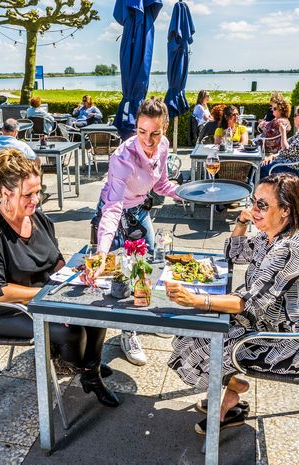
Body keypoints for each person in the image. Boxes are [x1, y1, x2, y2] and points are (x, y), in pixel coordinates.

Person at [166, 173, 299, 435]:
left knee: (204, 340)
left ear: (285, 210)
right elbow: (234, 253)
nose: (254, 209)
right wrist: (242, 220)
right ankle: (232, 388)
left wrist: (196, 299)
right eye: (254, 202)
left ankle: (227, 403)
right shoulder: (271, 236)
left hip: (293, 340)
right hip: (272, 320)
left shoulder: (290, 249)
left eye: (262, 205)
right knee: (192, 330)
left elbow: (249, 304)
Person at [0, 148, 119, 407]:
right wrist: (48, 297)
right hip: (5, 311)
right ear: (6, 193)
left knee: (95, 308)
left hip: (42, 296)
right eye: (28, 195)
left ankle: (89, 368)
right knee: (73, 331)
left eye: (38, 192)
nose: (36, 200)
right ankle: (87, 369)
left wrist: (76, 274)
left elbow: (56, 261)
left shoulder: (37, 218)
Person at [88, 97, 181, 367]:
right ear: (135, 128)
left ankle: (145, 317)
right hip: (116, 213)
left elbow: (161, 185)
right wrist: (102, 251)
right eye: (142, 132)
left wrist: (186, 193)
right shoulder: (122, 158)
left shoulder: (163, 146)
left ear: (164, 129)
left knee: (151, 264)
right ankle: (128, 334)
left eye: (155, 133)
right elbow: (113, 207)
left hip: (140, 209)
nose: (148, 140)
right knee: (125, 275)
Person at [260, 105, 299, 179]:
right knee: (257, 165)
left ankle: (254, 185)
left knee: (258, 170)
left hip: (289, 169)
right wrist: (273, 156)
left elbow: (287, 151)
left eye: (295, 115)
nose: (293, 118)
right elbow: (285, 149)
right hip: (283, 164)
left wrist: (283, 133)